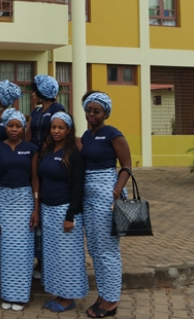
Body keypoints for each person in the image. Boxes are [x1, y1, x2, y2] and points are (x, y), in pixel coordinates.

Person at [81, 92, 132, 319]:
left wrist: (116, 190)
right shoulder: (86, 135)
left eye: (97, 111)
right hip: (88, 195)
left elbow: (127, 165)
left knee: (108, 250)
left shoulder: (113, 134)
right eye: (89, 110)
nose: (91, 114)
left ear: (106, 113)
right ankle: (104, 295)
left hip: (106, 195)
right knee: (95, 249)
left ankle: (111, 302)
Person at [0, 108, 39, 311]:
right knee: (7, 250)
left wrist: (36, 207)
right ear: (5, 126)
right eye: (10, 125)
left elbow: (35, 179)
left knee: (24, 249)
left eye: (18, 126)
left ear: (23, 128)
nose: (14, 129)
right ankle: (8, 294)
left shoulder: (31, 149)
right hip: (3, 200)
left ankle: (21, 296)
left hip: (25, 199)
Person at [38, 112, 87, 313]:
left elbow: (77, 187)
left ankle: (68, 298)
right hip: (47, 210)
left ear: (68, 130)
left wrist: (70, 216)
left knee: (68, 257)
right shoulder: (47, 151)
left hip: (64, 211)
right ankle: (59, 293)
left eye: (60, 128)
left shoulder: (73, 154)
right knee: (53, 257)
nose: (56, 131)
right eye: (53, 127)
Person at [26, 75, 65, 151]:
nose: (32, 94)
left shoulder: (57, 108)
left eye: (35, 91)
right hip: (34, 153)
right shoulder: (35, 111)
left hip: (49, 152)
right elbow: (28, 136)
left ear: (42, 92)